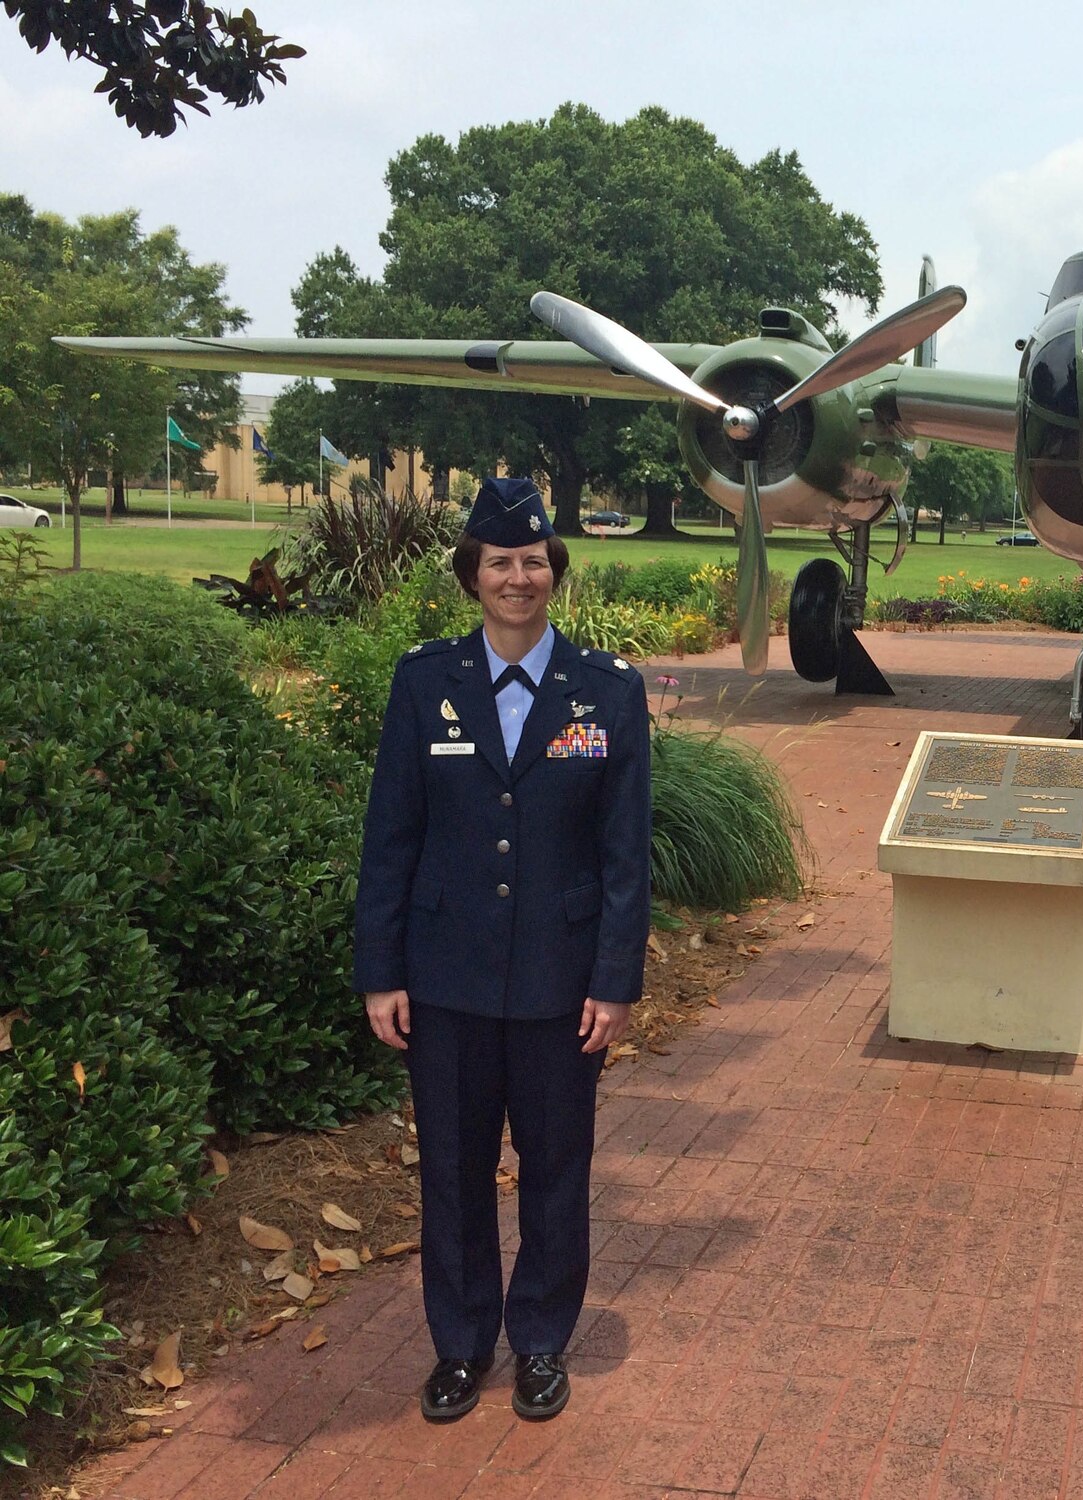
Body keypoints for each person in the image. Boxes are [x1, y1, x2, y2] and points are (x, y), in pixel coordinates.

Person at [353, 476, 652, 1423]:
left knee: (558, 1168)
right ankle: (460, 1343)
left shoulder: (607, 692)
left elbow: (623, 853)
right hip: (445, 980)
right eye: (499, 563)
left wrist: (614, 981)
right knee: (452, 1165)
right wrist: (381, 972)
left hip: (563, 985)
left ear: (552, 572)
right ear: (472, 576)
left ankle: (540, 1343)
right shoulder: (424, 682)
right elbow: (390, 837)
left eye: (532, 561)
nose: (517, 578)